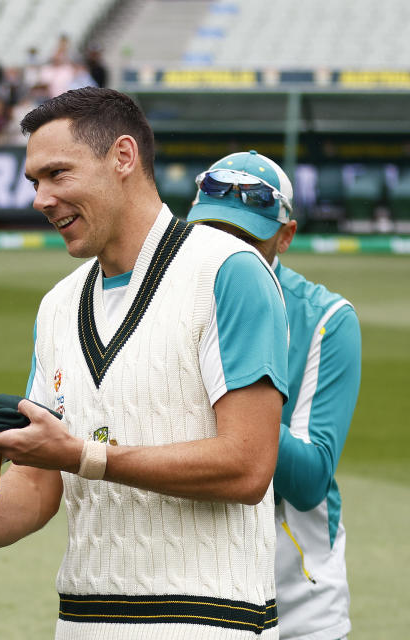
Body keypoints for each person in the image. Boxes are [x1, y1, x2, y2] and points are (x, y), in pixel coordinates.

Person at [0, 88, 289, 639]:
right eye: (34, 181)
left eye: (58, 174)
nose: (40, 197)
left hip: (209, 621)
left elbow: (248, 465)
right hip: (82, 621)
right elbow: (36, 484)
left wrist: (86, 455)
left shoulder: (227, 271)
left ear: (123, 157)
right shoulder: (58, 304)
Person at [187, 151, 360, 640]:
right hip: (186, 592)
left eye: (245, 238)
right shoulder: (164, 302)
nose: (225, 250)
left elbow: (308, 481)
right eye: (211, 231)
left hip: (296, 604)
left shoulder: (326, 318)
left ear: (285, 236)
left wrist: (238, 393)